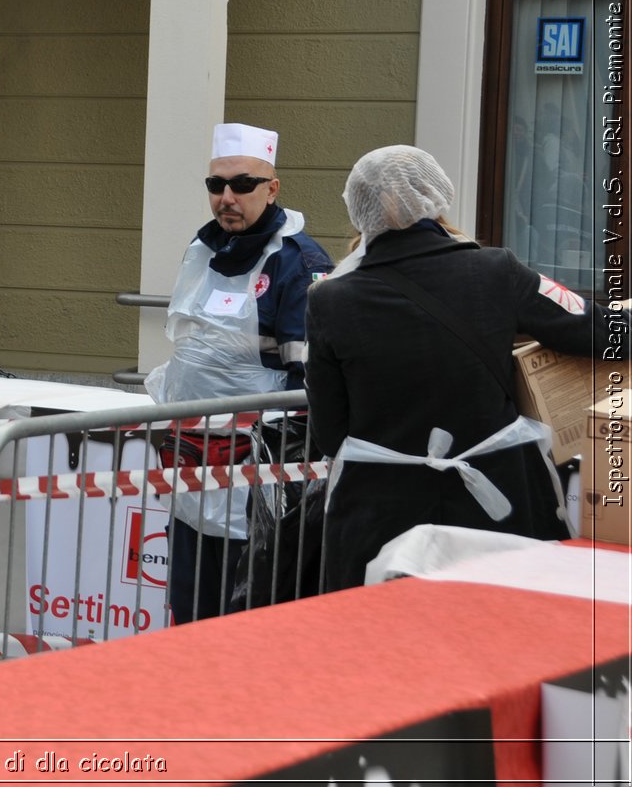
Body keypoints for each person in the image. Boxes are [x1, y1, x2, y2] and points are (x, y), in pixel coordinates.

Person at [305, 145, 625, 591]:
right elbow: (598, 329)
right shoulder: (495, 271)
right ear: (435, 196)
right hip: (497, 509)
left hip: (381, 515)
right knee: (497, 640)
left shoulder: (329, 300)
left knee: (386, 648)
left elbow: (329, 431)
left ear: (360, 212)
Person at [145, 122, 332, 624]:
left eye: (242, 184)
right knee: (188, 614)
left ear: (272, 189)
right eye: (216, 185)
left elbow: (311, 383)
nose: (227, 197)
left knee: (241, 623)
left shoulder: (299, 263)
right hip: (190, 470)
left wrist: (281, 477)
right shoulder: (203, 249)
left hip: (256, 486)